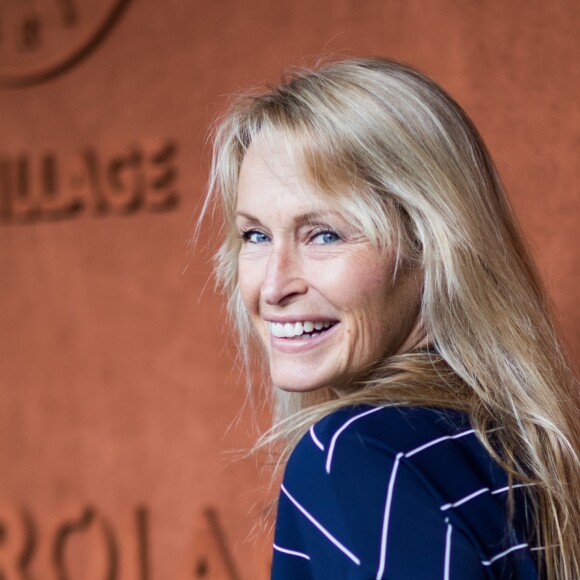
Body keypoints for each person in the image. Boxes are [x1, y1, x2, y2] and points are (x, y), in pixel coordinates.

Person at [201, 57, 580, 578]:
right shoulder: (514, 442)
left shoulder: (357, 452)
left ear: (431, 247)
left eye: (325, 234)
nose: (272, 286)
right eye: (256, 236)